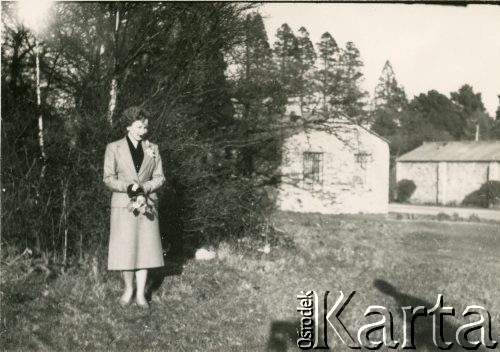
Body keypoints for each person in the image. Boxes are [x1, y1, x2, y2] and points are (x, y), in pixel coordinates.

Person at [103, 106, 166, 308]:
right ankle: (128, 289)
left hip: (148, 205)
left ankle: (140, 294)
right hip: (124, 205)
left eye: (145, 127)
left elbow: (159, 177)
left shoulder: (153, 148)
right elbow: (108, 179)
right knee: (126, 251)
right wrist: (128, 187)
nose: (143, 131)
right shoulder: (114, 148)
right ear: (128, 127)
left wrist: (144, 188)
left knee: (145, 250)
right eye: (139, 127)